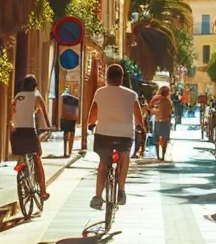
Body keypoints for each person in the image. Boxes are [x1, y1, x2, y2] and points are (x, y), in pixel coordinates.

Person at [88, 64, 145, 209]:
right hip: (124, 135)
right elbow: (138, 117)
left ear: (107, 78)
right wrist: (141, 128)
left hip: (103, 134)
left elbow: (93, 114)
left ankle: (98, 196)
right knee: (124, 156)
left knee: (103, 164)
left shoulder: (99, 92)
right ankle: (121, 189)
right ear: (121, 79)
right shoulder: (131, 95)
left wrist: (91, 124)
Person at [9, 74, 51, 200]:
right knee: (37, 158)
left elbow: (12, 114)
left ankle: (22, 169)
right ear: (35, 86)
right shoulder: (36, 96)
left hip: (16, 133)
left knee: (22, 154)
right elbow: (43, 113)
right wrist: (49, 127)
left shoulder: (17, 96)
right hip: (29, 132)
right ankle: (43, 192)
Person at [149, 84, 174, 160]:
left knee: (157, 139)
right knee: (165, 139)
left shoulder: (157, 99)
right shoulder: (169, 101)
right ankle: (163, 156)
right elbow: (171, 111)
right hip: (166, 122)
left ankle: (158, 156)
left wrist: (154, 110)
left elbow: (150, 106)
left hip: (158, 121)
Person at [58, 87, 80, 156]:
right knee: (72, 133)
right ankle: (70, 151)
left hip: (65, 116)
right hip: (72, 117)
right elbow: (76, 111)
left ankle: (65, 152)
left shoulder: (63, 97)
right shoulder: (75, 100)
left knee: (66, 133)